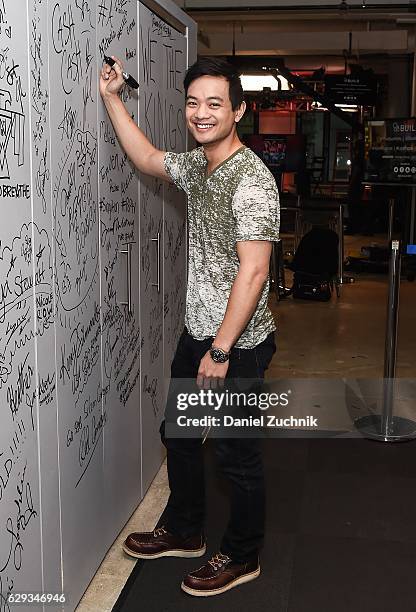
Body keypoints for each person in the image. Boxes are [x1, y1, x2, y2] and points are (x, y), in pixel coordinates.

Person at [99, 55, 280, 597]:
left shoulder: (251, 180)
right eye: (193, 103)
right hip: (198, 333)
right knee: (177, 435)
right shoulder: (199, 166)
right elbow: (150, 158)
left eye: (215, 104)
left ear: (239, 111)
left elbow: (255, 270)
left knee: (235, 456)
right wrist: (112, 97)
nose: (201, 114)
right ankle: (185, 529)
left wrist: (220, 352)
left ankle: (243, 555)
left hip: (237, 346)